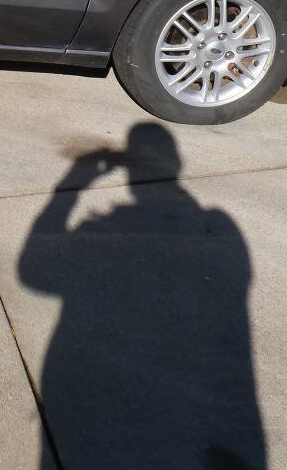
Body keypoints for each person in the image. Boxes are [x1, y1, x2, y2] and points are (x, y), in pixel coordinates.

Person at [18, 123, 266, 470]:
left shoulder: (105, 233)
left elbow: (33, 273)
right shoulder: (221, 228)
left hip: (91, 387)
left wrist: (72, 185)